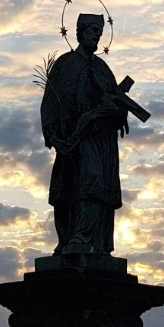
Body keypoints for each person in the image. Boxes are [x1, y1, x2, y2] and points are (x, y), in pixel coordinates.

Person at [40, 13, 129, 255]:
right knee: (68, 187)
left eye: (99, 34)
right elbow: (50, 101)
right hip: (72, 138)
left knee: (94, 183)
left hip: (99, 140)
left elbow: (118, 104)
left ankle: (90, 240)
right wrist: (52, 133)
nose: (96, 38)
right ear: (79, 33)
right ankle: (69, 240)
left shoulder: (102, 68)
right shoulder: (65, 64)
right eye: (92, 32)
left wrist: (118, 113)